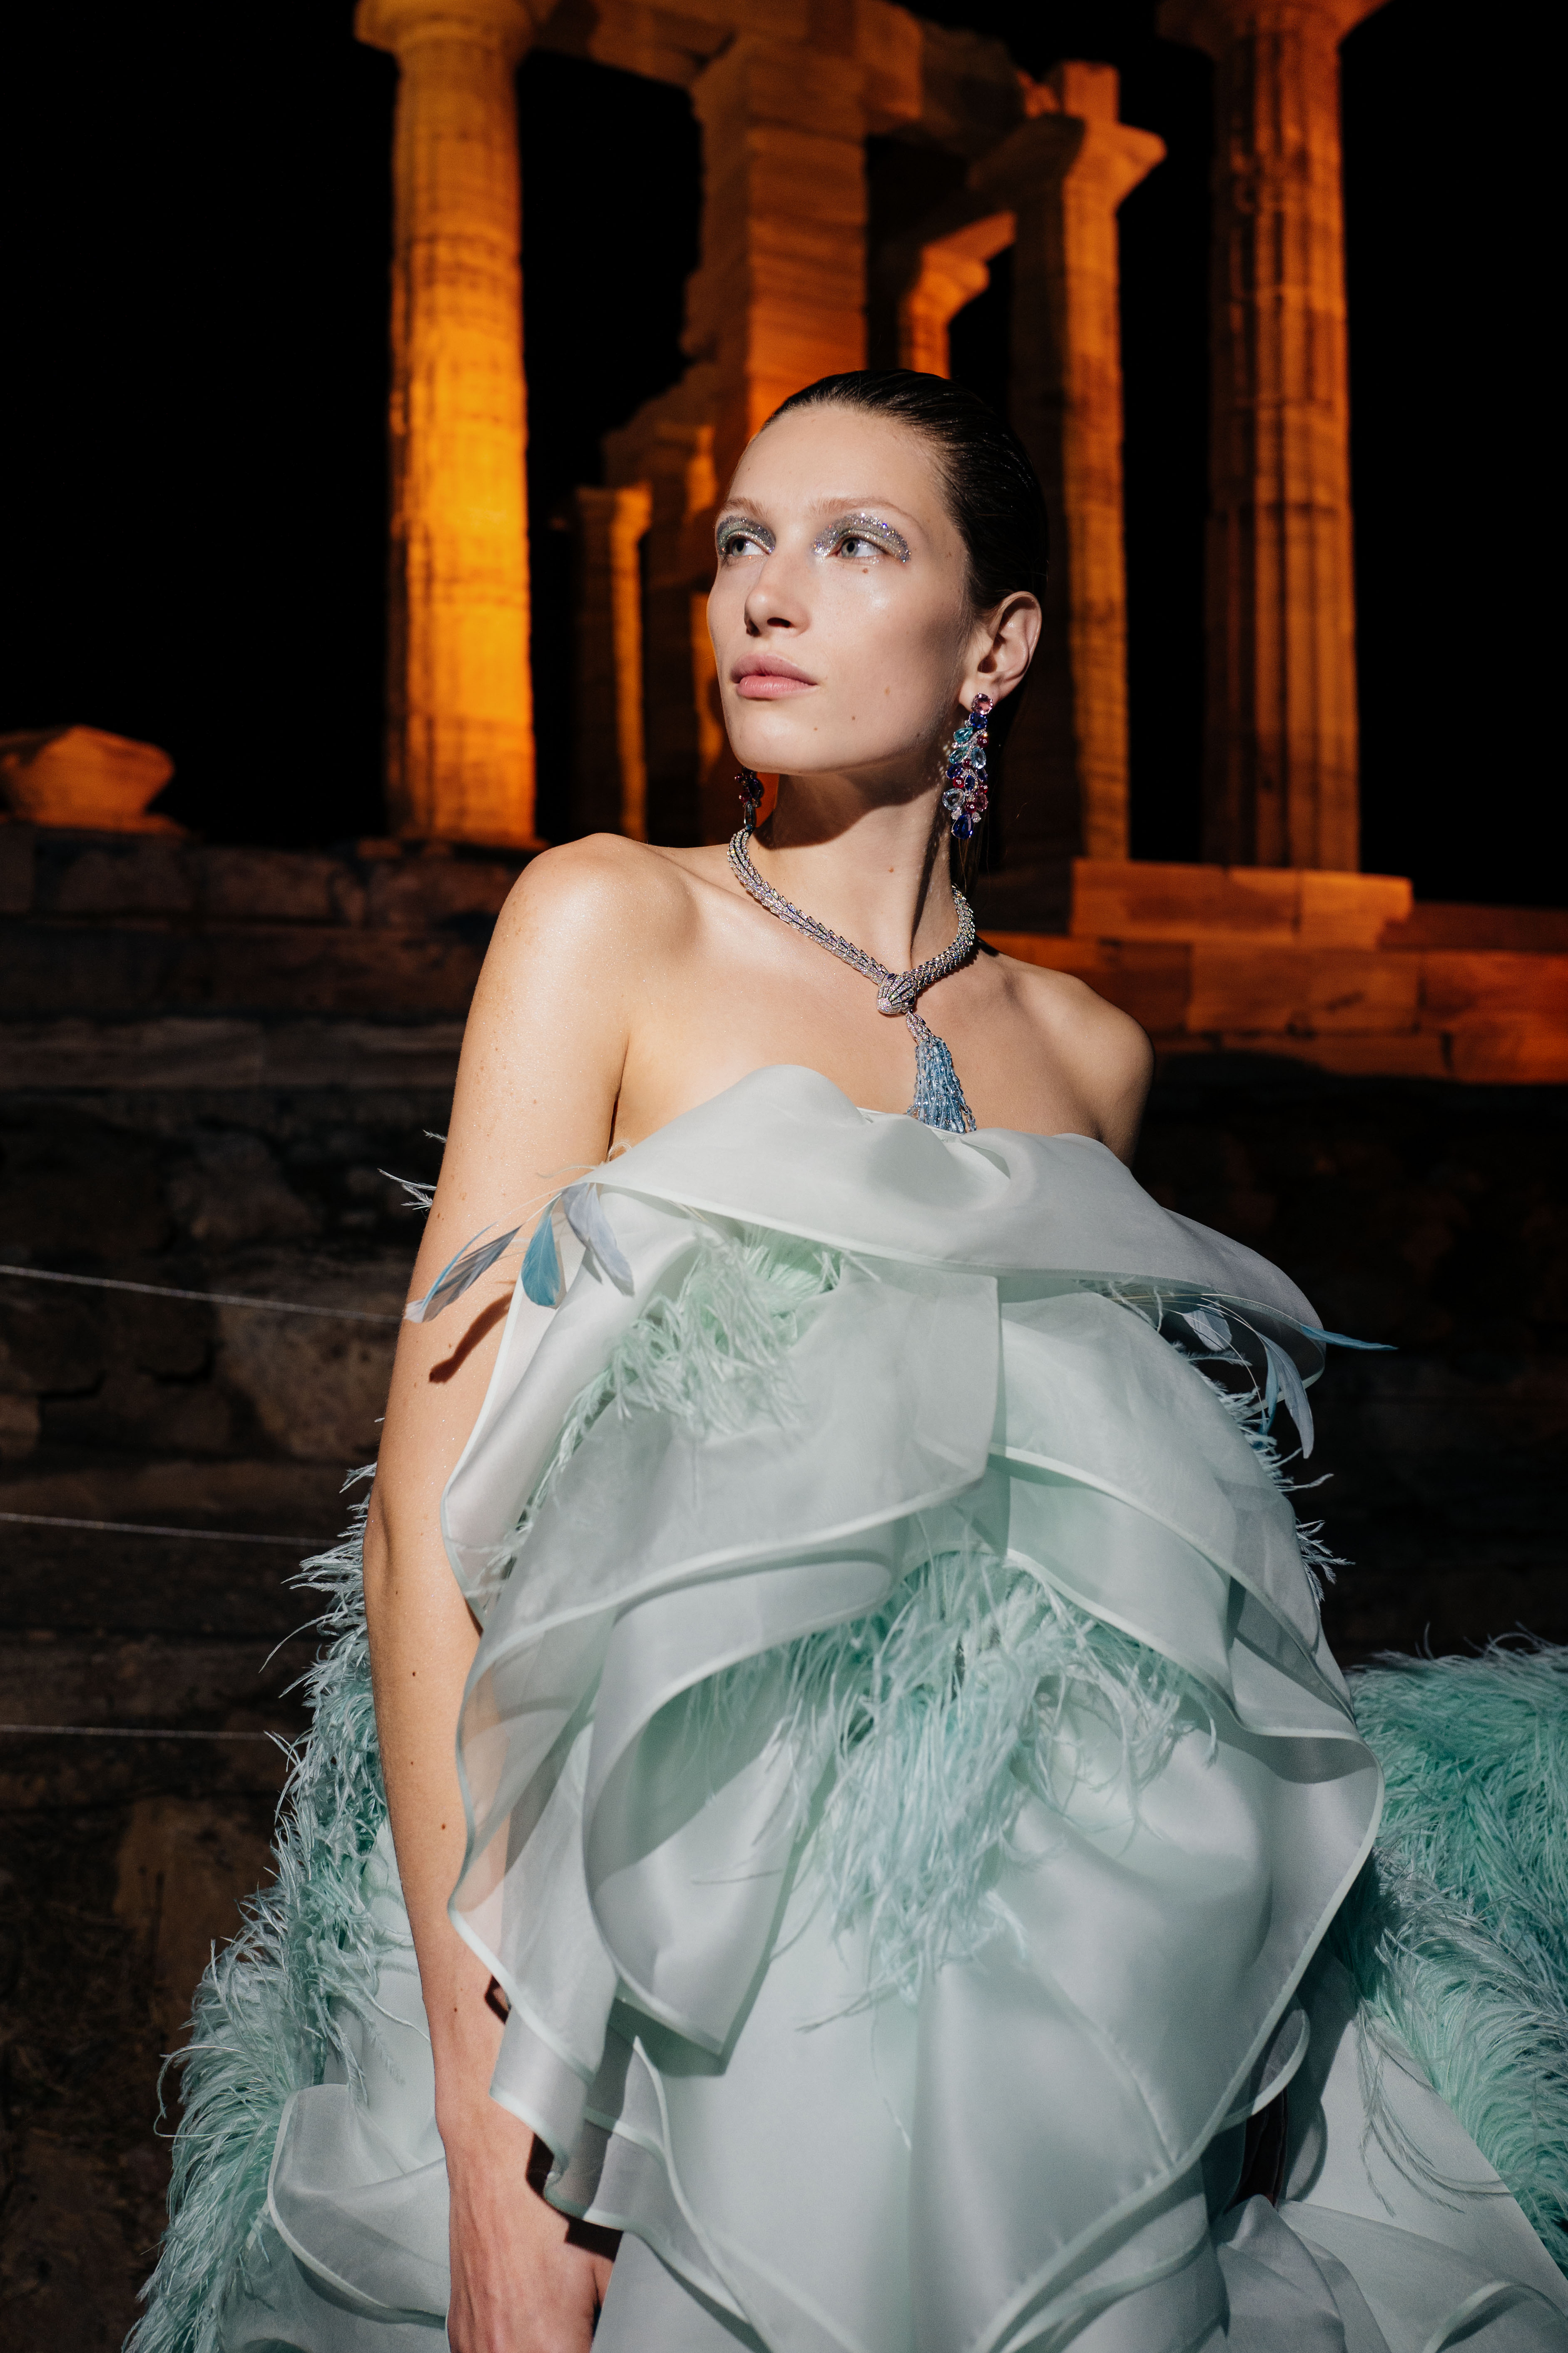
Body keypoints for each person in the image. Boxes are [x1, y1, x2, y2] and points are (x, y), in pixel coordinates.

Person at [137, 373, 1568, 2353]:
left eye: (855, 543)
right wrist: (487, 2133)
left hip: (1061, 2001)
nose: (766, 593)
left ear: (997, 647)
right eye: (743, 540)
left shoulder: (1090, 1056)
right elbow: (422, 1522)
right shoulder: (606, 923)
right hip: (665, 1982)